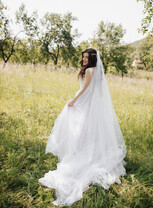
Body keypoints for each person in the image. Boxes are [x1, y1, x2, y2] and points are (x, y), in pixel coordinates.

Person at [38, 48, 127, 207]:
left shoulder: (89, 71)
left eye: (87, 57)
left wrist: (73, 100)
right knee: (87, 131)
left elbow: (84, 89)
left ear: (92, 59)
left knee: (78, 128)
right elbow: (98, 91)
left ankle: (77, 153)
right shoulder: (97, 71)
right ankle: (83, 150)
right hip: (92, 105)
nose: (84, 59)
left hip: (85, 104)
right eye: (83, 57)